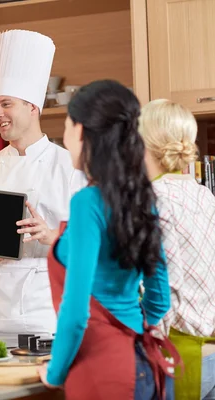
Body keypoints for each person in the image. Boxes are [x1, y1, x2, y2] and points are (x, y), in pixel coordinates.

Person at [37, 80, 179, 399]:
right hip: (148, 365)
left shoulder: (87, 203)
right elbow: (159, 300)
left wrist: (54, 372)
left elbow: (75, 313)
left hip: (104, 372)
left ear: (82, 131)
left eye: (67, 125)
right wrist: (132, 332)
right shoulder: (143, 198)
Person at [0, 29, 86, 347]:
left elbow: (96, 241)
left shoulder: (71, 167)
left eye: (6, 105)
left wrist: (52, 235)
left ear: (32, 107)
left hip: (51, 310)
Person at [139, 99, 215, 399]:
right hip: (209, 349)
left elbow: (162, 288)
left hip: (179, 355)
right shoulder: (204, 195)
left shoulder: (153, 199)